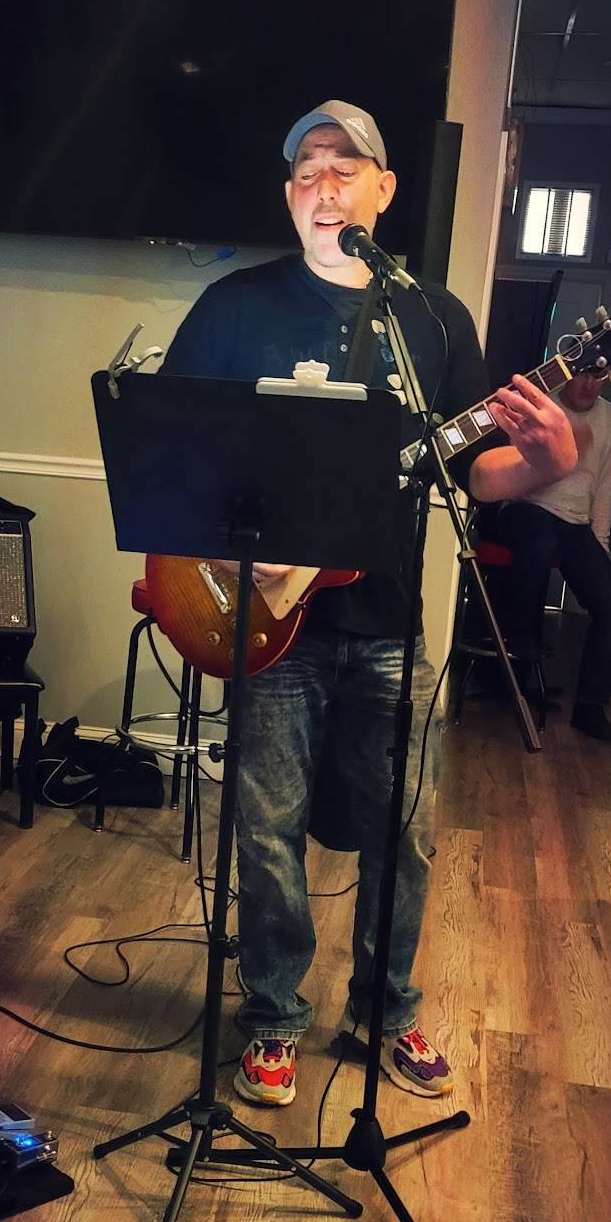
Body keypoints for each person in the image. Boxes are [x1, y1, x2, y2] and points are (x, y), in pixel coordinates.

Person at [161, 99, 577, 1109]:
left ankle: (384, 1010)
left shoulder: (432, 319)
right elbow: (171, 453)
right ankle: (272, 1017)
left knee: (406, 833)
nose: (322, 187)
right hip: (263, 623)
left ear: (383, 191)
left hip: (387, 621)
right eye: (305, 169)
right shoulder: (232, 307)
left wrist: (548, 464)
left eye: (344, 168)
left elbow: (469, 471)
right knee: (264, 832)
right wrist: (229, 546)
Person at [488, 365, 611, 741]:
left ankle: (590, 707)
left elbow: (606, 486)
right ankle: (519, 662)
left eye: (599, 376)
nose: (590, 384)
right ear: (568, 372)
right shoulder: (541, 404)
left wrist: (601, 547)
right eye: (584, 374)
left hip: (575, 523)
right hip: (524, 508)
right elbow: (507, 467)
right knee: (540, 542)